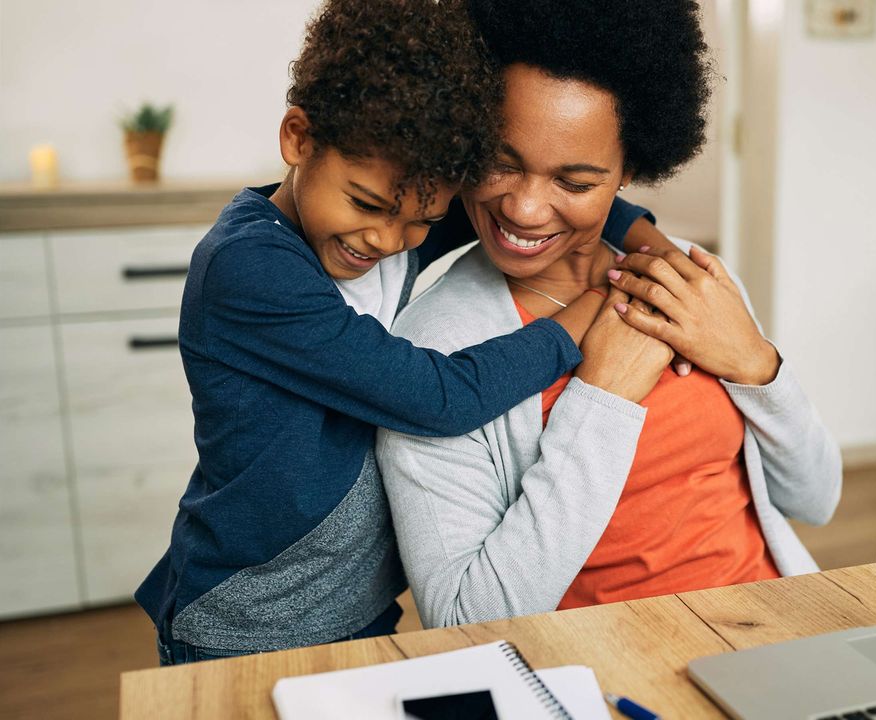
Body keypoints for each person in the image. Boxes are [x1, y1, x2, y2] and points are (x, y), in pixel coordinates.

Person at [136, 0, 663, 665]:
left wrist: (651, 243)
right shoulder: (250, 268)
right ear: (298, 137)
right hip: (244, 623)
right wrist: (586, 313)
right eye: (365, 203)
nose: (388, 240)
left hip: (361, 612)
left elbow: (541, 201)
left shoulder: (401, 198)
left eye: (422, 221)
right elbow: (438, 398)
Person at [377, 0, 841, 628]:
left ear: (629, 172)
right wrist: (603, 397)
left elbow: (815, 500)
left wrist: (755, 364)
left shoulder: (693, 288)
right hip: (611, 672)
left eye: (575, 182)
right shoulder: (432, 355)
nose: (526, 209)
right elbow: (463, 620)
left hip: (779, 633)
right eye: (500, 162)